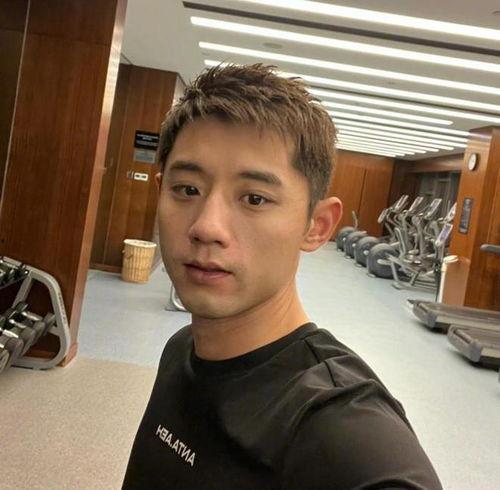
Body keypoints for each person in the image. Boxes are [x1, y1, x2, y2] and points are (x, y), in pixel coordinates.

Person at [122, 63, 442, 489]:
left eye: (254, 198)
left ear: (317, 226)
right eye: (187, 190)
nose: (206, 227)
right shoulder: (182, 350)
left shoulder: (342, 432)